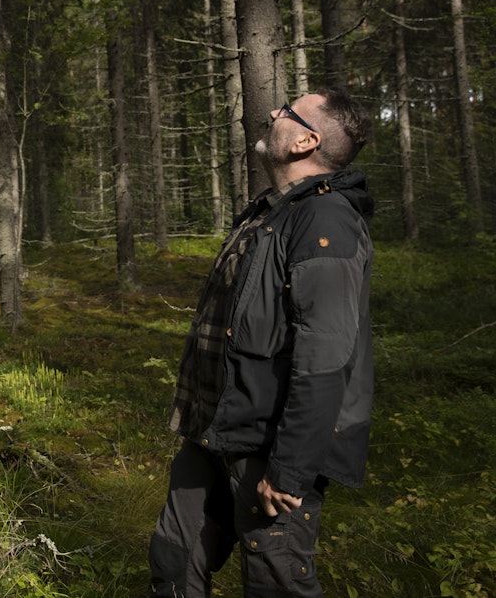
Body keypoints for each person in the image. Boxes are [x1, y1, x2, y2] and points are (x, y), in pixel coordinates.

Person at [148, 87, 375, 597]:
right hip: (214, 431)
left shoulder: (325, 220)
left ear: (306, 141)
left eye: (288, 111)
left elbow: (326, 358)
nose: (274, 112)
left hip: (268, 449)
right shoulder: (272, 213)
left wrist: (290, 470)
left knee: (275, 581)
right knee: (173, 560)